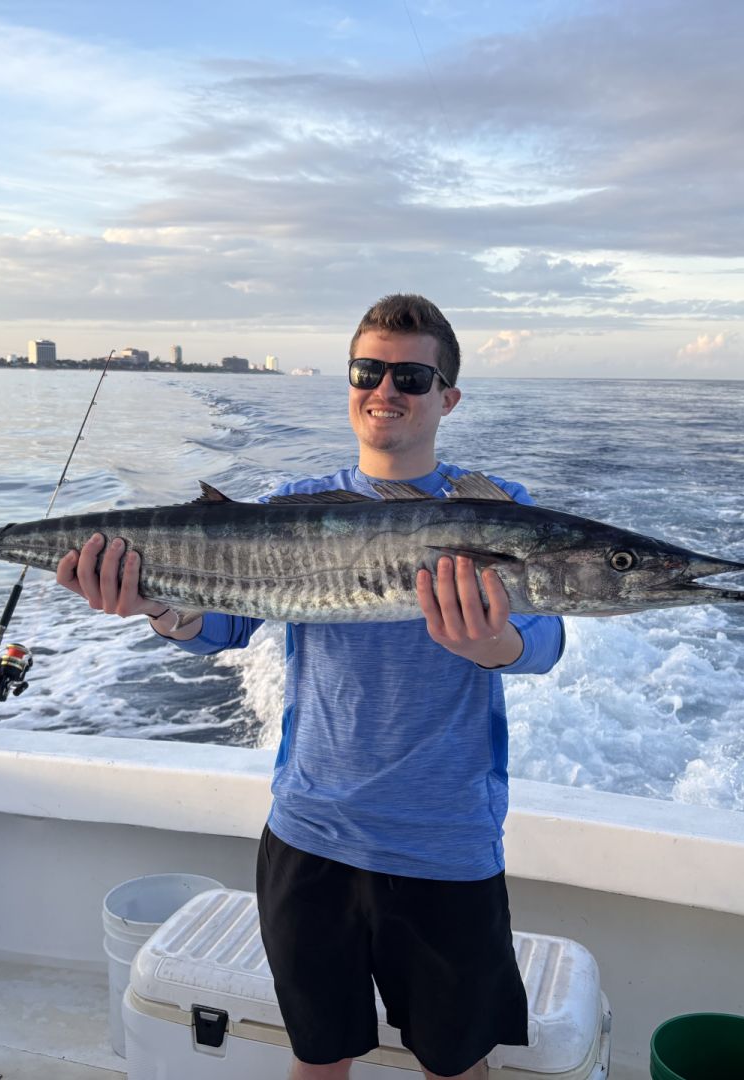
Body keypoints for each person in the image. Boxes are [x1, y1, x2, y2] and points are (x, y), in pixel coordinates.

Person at [57, 294, 565, 1080]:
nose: (385, 390)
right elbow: (225, 627)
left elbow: (546, 639)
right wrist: (156, 603)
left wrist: (494, 642)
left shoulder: (497, 510)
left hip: (445, 844)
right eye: (368, 371)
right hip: (308, 834)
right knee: (318, 1056)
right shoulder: (293, 504)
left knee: (455, 1066)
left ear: (448, 398)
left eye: (411, 377)